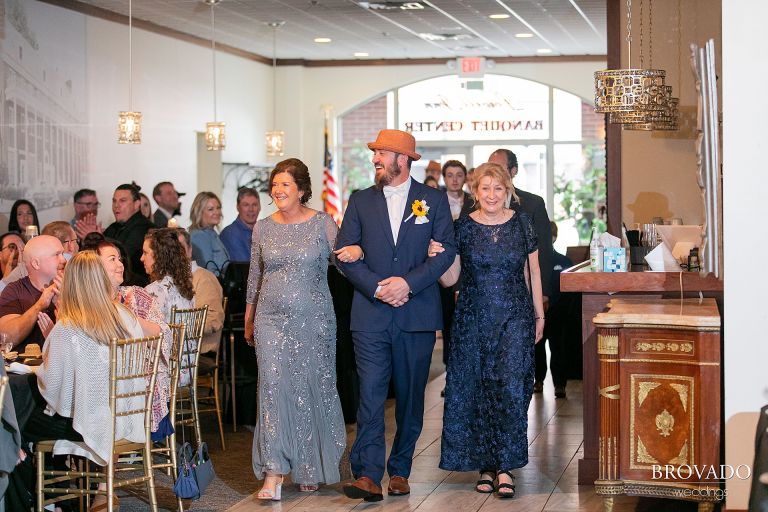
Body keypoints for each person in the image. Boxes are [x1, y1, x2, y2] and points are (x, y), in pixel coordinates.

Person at [335, 129, 456, 502]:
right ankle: (368, 473)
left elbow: (446, 253)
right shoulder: (359, 201)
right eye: (374, 153)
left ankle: (400, 468)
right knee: (370, 394)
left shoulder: (432, 201)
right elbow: (342, 253)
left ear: (402, 159)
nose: (375, 159)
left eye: (381, 153)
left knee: (409, 397)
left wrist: (406, 284)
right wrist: (377, 287)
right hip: (370, 315)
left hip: (416, 314)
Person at [432, 162, 545, 499]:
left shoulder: (522, 223)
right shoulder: (462, 227)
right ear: (475, 191)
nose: (492, 195)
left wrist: (540, 316)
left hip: (515, 317)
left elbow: (534, 272)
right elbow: (451, 279)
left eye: (498, 188)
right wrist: (437, 256)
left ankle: (506, 466)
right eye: (485, 188)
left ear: (507, 189)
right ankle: (485, 465)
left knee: (511, 388)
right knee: (478, 390)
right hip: (473, 319)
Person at [244, 158, 346, 499]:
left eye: (285, 184)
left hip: (315, 320)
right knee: (273, 387)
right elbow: (255, 276)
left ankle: (310, 466)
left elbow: (346, 267)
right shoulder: (262, 227)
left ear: (301, 190)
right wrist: (249, 316)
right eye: (275, 184)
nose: (278, 190)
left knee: (310, 386)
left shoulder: (323, 224)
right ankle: (273, 473)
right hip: (270, 319)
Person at [81, 233, 170, 437]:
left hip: (135, 381)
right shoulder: (85, 305)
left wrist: (127, 317)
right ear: (94, 267)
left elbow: (162, 334)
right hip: (99, 379)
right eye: (112, 259)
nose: (120, 264)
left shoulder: (136, 296)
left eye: (120, 258)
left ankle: (113, 445)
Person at [488, 149, 553, 299]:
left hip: (523, 290)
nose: (493, 173)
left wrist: (543, 293)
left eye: (499, 168)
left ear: (513, 171)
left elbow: (544, 250)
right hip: (483, 290)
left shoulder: (533, 204)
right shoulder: (474, 203)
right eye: (490, 168)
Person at [0, 235, 64, 353]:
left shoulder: (75, 288)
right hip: (23, 369)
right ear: (36, 264)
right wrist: (39, 305)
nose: (63, 260)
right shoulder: (14, 291)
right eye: (57, 255)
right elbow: (6, 338)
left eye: (63, 254)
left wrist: (64, 303)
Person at [534, 221, 574, 398]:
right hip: (536, 313)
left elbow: (568, 291)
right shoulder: (532, 263)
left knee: (558, 348)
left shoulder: (564, 261)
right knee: (537, 349)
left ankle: (560, 385)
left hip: (558, 313)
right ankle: (538, 380)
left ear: (554, 238)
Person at [176, 228, 224, 361]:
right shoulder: (165, 281)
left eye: (180, 248)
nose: (176, 254)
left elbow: (213, 320)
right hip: (173, 350)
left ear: (189, 250)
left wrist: (176, 329)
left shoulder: (203, 278)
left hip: (197, 352)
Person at [104, 183, 155, 286]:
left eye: (122, 201)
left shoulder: (144, 227)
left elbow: (125, 257)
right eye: (114, 201)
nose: (116, 205)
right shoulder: (113, 227)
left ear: (137, 204)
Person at [141, 228, 194, 323]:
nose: (141, 258)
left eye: (145, 253)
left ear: (159, 256)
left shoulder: (153, 290)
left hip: (166, 338)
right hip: (186, 338)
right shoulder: (185, 285)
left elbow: (149, 331)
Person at [188, 192, 230, 277]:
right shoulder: (199, 236)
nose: (217, 212)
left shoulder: (211, 233)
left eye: (218, 208)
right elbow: (207, 270)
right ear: (199, 212)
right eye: (211, 209)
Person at [220, 187, 260, 262]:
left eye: (254, 205)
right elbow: (246, 267)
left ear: (259, 207)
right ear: (238, 207)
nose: (251, 209)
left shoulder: (263, 232)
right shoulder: (230, 234)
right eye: (246, 205)